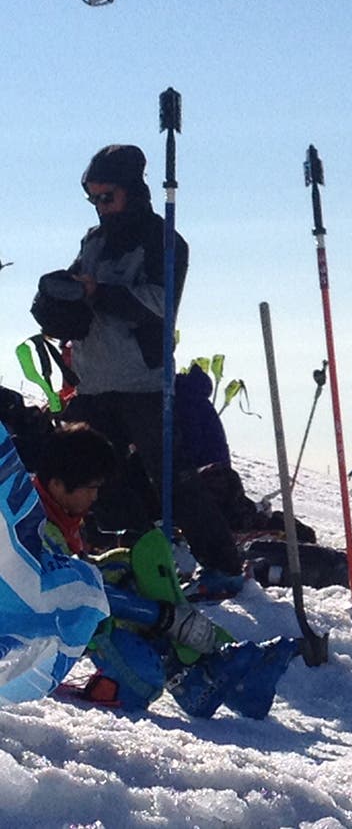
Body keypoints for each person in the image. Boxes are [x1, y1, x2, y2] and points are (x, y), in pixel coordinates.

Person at [41, 144, 243, 598]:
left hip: (142, 382)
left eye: (106, 196)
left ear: (131, 191)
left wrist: (98, 292)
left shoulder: (163, 239)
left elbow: (159, 306)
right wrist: (58, 306)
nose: (100, 206)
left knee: (172, 478)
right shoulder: (94, 241)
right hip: (93, 380)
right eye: (92, 198)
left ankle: (223, 567)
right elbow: (80, 293)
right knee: (102, 480)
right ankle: (138, 559)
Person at [32, 422, 295, 716]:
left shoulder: (55, 512)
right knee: (142, 676)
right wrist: (162, 616)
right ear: (57, 484)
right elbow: (69, 591)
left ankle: (212, 670)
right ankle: (185, 677)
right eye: (90, 488)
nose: (95, 498)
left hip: (56, 609)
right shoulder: (36, 527)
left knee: (131, 564)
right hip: (33, 632)